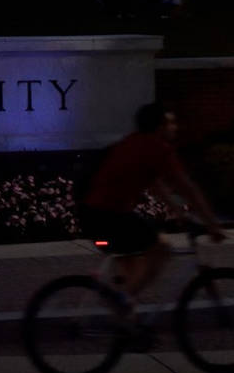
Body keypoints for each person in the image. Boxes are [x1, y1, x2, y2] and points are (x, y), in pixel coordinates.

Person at [79, 102, 224, 342]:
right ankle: (121, 303)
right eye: (171, 122)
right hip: (110, 217)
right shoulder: (157, 148)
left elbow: (154, 183)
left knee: (133, 271)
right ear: (159, 126)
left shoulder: (134, 142)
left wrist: (179, 213)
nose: (175, 127)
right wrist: (212, 224)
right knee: (162, 248)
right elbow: (187, 187)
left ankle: (128, 328)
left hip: (95, 215)